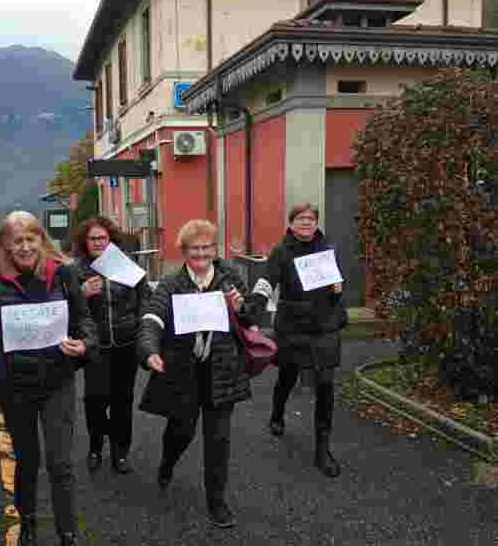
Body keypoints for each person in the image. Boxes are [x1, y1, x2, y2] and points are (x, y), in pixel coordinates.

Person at [0, 211, 97, 546]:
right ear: (5, 246)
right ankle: (30, 526)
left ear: (41, 241)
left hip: (58, 384)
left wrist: (84, 343)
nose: (24, 246)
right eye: (15, 240)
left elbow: (86, 322)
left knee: (60, 464)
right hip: (15, 389)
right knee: (27, 461)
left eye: (30, 238)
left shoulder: (64, 275)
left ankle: (69, 544)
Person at [137, 219, 260, 528]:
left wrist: (242, 306)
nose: (202, 254)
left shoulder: (230, 278)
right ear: (184, 251)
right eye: (195, 249)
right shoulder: (170, 284)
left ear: (214, 249)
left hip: (222, 370)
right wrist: (150, 350)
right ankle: (168, 463)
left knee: (218, 439)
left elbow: (252, 317)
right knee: (182, 431)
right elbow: (152, 317)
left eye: (207, 248)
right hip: (183, 371)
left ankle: (216, 501)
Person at [251, 203, 347, 478]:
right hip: (293, 326)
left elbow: (337, 284)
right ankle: (277, 413)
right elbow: (267, 281)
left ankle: (322, 449)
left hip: (324, 324)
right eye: (301, 218)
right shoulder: (282, 252)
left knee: (326, 384)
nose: (306, 222)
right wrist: (255, 305)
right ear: (291, 223)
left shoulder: (328, 249)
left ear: (317, 222)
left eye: (311, 218)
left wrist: (337, 288)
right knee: (287, 375)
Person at [72, 216, 151, 474]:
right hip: (95, 345)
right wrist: (81, 294)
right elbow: (65, 309)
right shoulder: (76, 271)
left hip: (126, 343)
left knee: (122, 400)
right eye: (93, 238)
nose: (98, 242)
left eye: (102, 238)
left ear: (111, 240)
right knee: (94, 400)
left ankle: (120, 451)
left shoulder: (126, 265)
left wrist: (141, 327)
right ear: (85, 242)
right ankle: (96, 446)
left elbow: (144, 299)